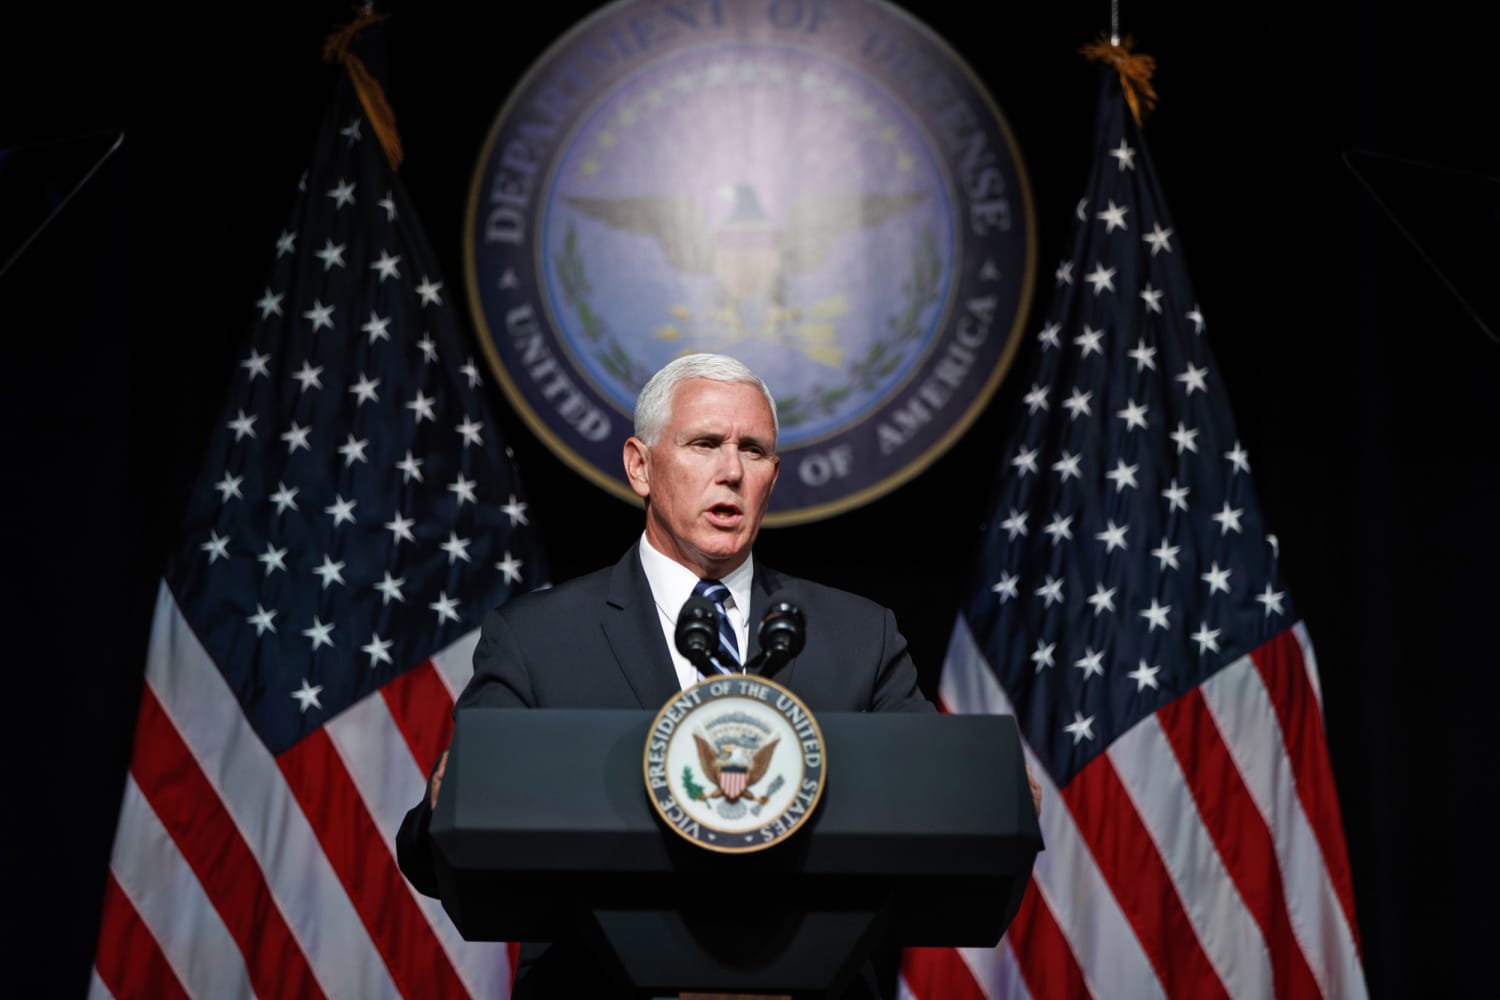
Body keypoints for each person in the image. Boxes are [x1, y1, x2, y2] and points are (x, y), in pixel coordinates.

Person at [397, 353, 996, 997]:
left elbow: (940, 811)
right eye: (705, 444)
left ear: (773, 474)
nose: (732, 471)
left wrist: (988, 796)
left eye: (755, 451)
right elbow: (434, 850)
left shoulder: (859, 636)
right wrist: (448, 800)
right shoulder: (539, 638)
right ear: (640, 467)